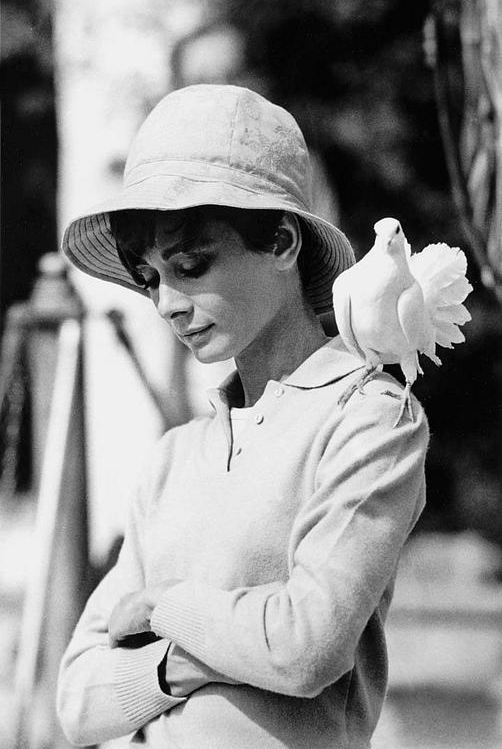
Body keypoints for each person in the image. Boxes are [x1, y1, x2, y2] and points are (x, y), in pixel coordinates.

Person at [57, 84, 428, 748]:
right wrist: (186, 658)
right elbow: (79, 698)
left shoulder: (369, 417)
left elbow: (307, 648)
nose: (166, 303)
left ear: (282, 241)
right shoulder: (174, 455)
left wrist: (158, 607)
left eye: (191, 265)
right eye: (149, 278)